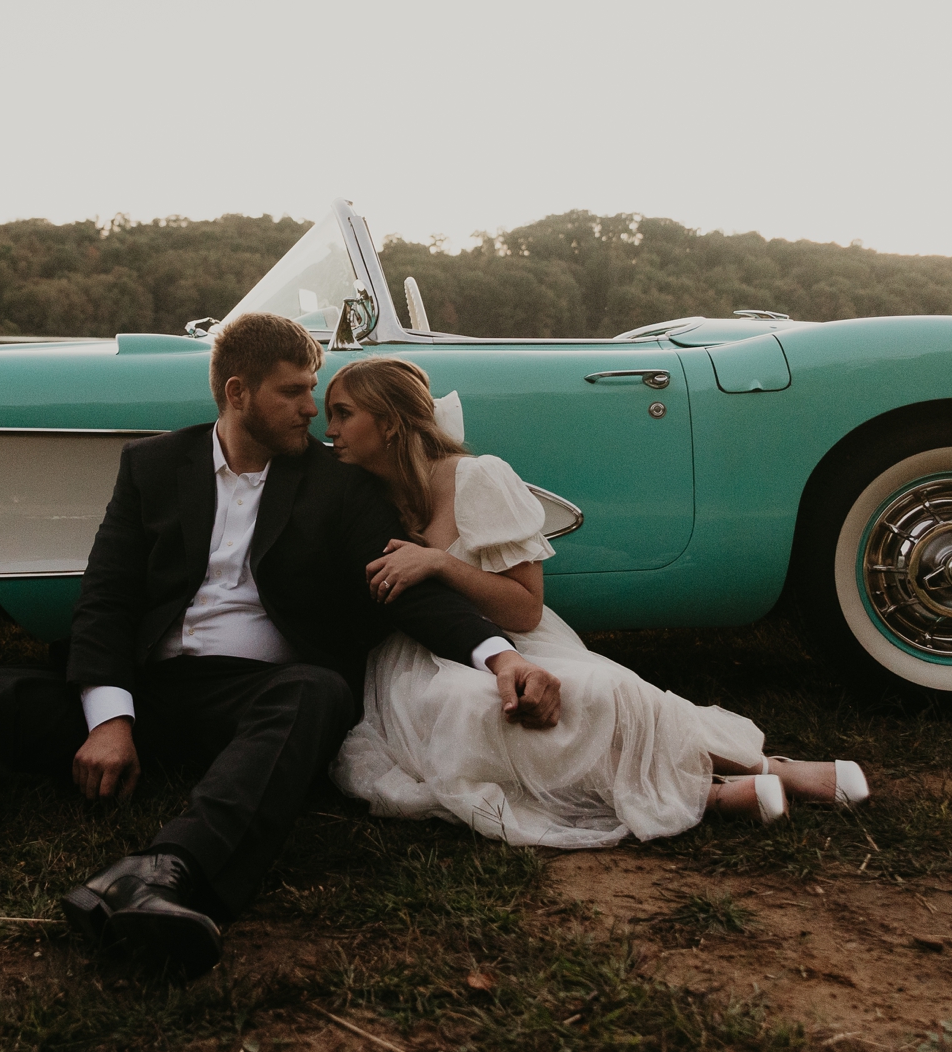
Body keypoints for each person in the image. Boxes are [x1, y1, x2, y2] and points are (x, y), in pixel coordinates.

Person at [0, 314, 528, 972]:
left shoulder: (336, 489)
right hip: (148, 687)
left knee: (314, 692)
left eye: (314, 390)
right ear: (237, 393)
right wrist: (108, 715)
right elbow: (106, 600)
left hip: (256, 696)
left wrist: (500, 656)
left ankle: (164, 877)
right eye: (295, 391)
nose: (314, 407)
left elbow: (401, 583)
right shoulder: (153, 467)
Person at [324, 356, 869, 847]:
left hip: (512, 636)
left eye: (343, 414)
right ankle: (711, 791)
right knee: (473, 711)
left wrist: (441, 562)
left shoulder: (477, 477)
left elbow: (524, 609)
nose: (330, 431)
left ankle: (766, 765)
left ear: (391, 421)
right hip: (414, 655)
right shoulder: (360, 497)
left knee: (593, 694)